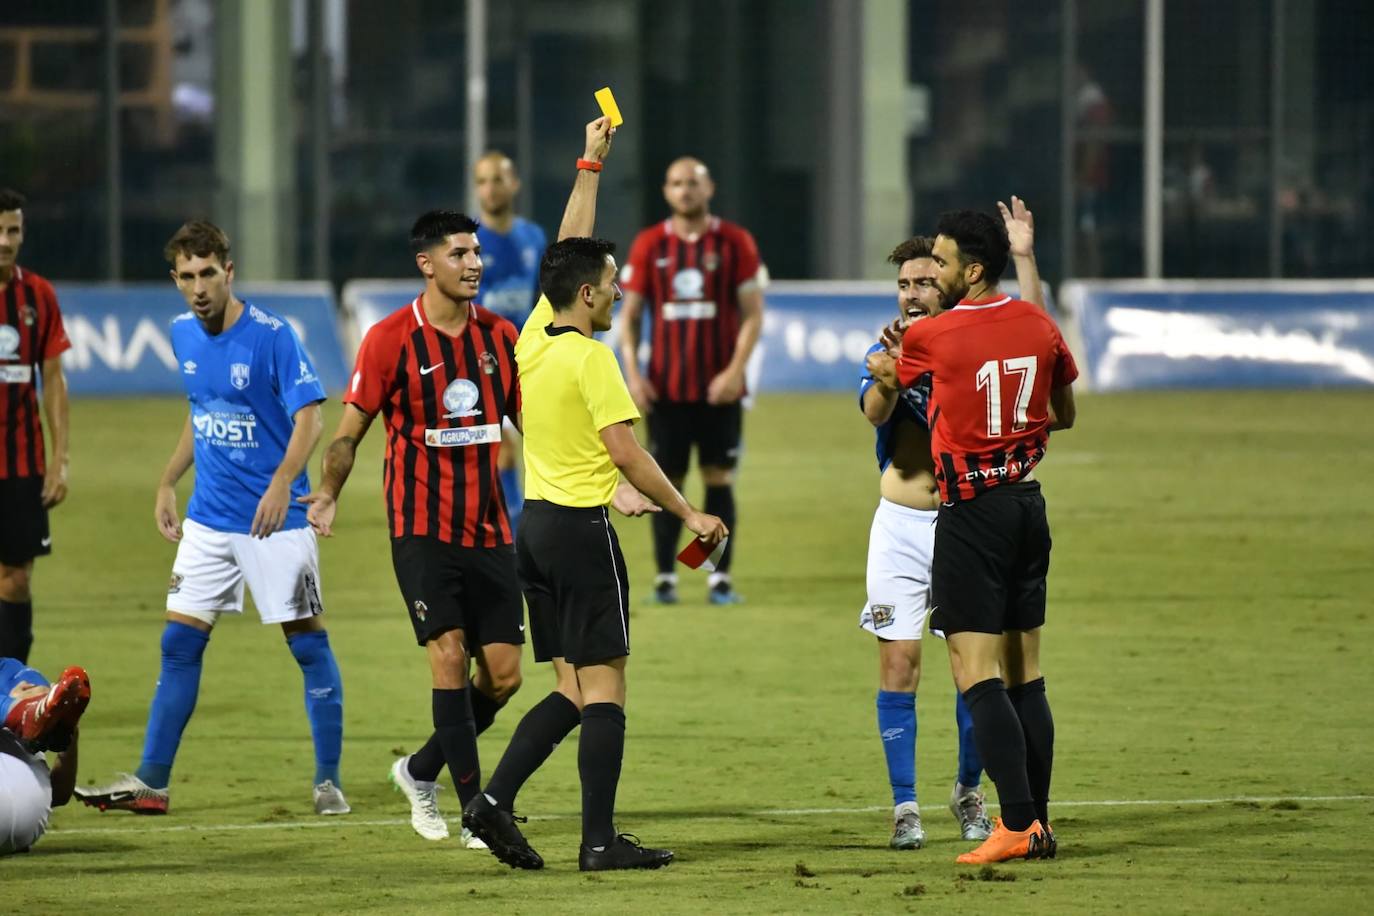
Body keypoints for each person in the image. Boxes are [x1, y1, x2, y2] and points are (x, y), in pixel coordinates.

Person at [461, 121, 729, 873]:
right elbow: (627, 452)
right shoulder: (591, 357)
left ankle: (492, 801)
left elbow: (564, 254)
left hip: (535, 529)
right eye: (610, 285)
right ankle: (600, 841)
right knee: (607, 692)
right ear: (588, 294)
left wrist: (590, 164)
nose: (618, 292)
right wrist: (689, 513)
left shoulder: (534, 339)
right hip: (581, 536)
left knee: (573, 691)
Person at [77, 221, 347, 817]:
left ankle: (328, 780)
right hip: (208, 520)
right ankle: (153, 781)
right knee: (178, 644)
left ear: (229, 271)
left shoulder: (274, 337)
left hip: (276, 523)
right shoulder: (182, 334)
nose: (198, 288)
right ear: (175, 280)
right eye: (186, 277)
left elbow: (311, 421)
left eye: (208, 274)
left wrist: (282, 485)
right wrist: (168, 481)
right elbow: (201, 415)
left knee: (307, 646)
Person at [301, 211, 528, 848]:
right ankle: (474, 814)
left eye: (477, 252)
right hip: (421, 528)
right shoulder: (390, 338)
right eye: (460, 253)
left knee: (504, 676)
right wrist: (327, 494)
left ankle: (418, 770)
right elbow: (348, 435)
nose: (475, 263)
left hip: (488, 530)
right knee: (450, 658)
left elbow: (530, 420)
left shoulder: (499, 336)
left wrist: (599, 478)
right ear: (427, 264)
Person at [867, 208, 1078, 865]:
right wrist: (1028, 257)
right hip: (1026, 507)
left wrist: (890, 356)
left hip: (970, 515)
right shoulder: (1036, 324)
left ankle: (1010, 823)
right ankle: (1038, 821)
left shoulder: (941, 336)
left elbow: (888, 376)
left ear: (972, 270)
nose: (936, 270)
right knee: (1026, 674)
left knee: (973, 671)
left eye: (945, 262)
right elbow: (1061, 411)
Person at [617, 158, 765, 605]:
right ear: (666, 191)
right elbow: (631, 315)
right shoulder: (649, 245)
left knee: (718, 480)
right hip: (667, 390)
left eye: (693, 183)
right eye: (677, 183)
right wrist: (634, 374)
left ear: (709, 188)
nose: (685, 191)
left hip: (718, 389)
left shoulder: (734, 242)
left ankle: (715, 576)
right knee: (667, 481)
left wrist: (735, 371)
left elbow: (752, 315)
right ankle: (667, 577)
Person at [0, 188, 71, 665]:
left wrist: (59, 460)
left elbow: (54, 379)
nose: (5, 241)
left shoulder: (38, 295)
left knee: (17, 577)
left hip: (22, 462)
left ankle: (10, 689)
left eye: (13, 230)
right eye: (0, 230)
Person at [473, 151, 548, 535]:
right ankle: (513, 531)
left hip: (529, 362)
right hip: (482, 363)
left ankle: (517, 527)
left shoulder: (533, 237)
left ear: (514, 184)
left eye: (497, 179)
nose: (490, 188)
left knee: (538, 445)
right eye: (483, 181)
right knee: (501, 450)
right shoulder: (468, 243)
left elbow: (543, 299)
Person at [1, 658, 88, 855]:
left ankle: (22, 712)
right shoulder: (13, 673)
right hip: (31, 818)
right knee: (40, 700)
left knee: (39, 700)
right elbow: (59, 795)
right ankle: (23, 711)